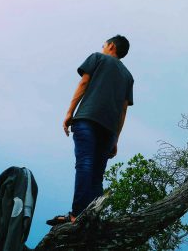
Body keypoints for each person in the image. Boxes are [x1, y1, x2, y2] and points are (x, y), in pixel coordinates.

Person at [46, 35, 134, 226]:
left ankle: (77, 214)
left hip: (88, 119)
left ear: (111, 46)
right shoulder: (128, 77)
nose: (102, 48)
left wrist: (69, 112)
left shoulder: (98, 58)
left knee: (84, 164)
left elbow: (84, 83)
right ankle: (93, 219)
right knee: (96, 175)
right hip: (109, 129)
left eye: (104, 45)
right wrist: (116, 138)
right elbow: (123, 111)